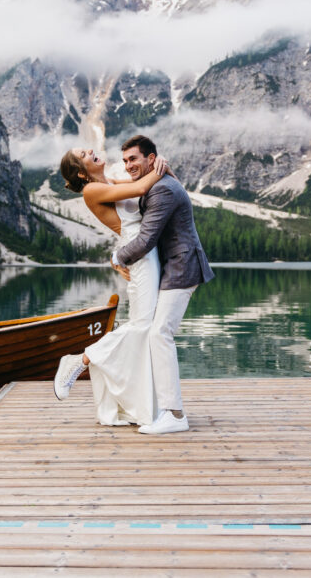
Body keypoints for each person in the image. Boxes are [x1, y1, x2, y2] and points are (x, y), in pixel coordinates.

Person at [53, 145, 171, 427]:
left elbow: (139, 183)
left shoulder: (109, 181)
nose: (91, 150)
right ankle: (81, 359)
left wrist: (157, 167)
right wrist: (160, 166)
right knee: (143, 326)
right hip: (138, 253)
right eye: (84, 154)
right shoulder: (91, 191)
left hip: (143, 250)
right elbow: (142, 189)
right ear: (82, 171)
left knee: (144, 328)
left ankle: (124, 406)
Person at [112, 135, 214, 435]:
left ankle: (175, 414)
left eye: (134, 159)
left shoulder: (163, 190)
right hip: (173, 267)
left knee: (160, 333)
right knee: (155, 333)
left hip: (182, 267)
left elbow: (146, 240)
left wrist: (117, 257)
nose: (129, 165)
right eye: (126, 160)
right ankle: (158, 406)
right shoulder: (159, 183)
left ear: (151, 159)